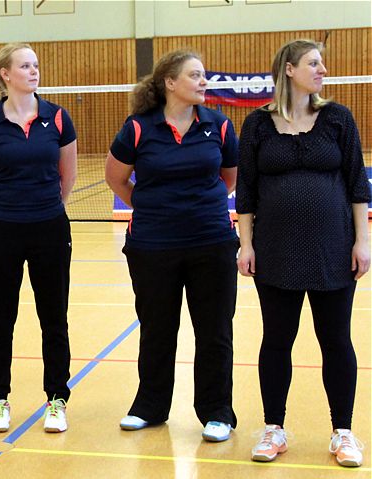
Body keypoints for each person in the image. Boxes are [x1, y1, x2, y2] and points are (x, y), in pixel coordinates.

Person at [236, 39, 370, 468]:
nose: (323, 69)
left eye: (322, 63)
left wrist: (362, 240)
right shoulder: (257, 125)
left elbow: (356, 182)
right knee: (277, 340)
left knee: (336, 340)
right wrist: (246, 244)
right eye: (314, 63)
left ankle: (343, 432)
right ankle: (274, 428)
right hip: (275, 251)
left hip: (333, 249)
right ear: (289, 69)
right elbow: (247, 191)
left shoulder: (337, 119)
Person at [104, 49, 239, 442]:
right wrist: (151, 207)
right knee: (157, 329)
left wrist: (197, 208)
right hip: (153, 246)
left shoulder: (220, 125)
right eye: (195, 75)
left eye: (203, 75)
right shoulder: (138, 128)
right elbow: (117, 179)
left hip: (211, 242)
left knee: (214, 331)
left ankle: (217, 412)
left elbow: (227, 178)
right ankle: (149, 406)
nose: (203, 81)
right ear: (170, 83)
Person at [0, 43, 77, 433]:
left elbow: (68, 176)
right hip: (0, 231)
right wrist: (9, 211)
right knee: (0, 319)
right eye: (24, 66)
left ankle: (57, 399)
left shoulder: (58, 119)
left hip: (49, 227)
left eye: (35, 65)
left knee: (54, 318)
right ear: (5, 75)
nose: (33, 71)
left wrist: (44, 208)